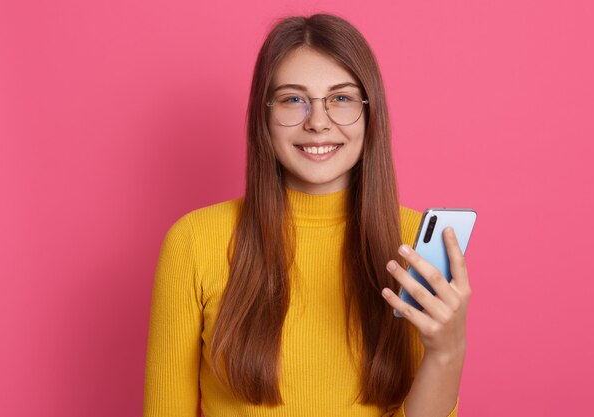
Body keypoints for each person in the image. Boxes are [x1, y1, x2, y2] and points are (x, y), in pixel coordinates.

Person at [143, 13, 470, 417]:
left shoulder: (415, 242)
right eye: (293, 99)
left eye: (342, 98)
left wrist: (448, 351)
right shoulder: (194, 242)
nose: (318, 122)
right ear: (263, 116)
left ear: (371, 115)